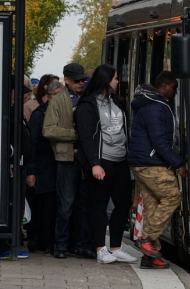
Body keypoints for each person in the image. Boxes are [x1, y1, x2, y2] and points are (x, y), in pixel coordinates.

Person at [75, 64, 138, 264]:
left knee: (122, 204)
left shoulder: (117, 102)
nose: (117, 82)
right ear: (105, 80)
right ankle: (100, 248)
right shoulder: (87, 105)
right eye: (115, 78)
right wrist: (94, 163)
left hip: (121, 160)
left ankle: (116, 247)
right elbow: (85, 138)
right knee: (99, 205)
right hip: (102, 161)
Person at [129, 71, 186, 270]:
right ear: (164, 86)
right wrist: (178, 163)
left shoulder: (149, 104)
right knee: (172, 196)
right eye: (174, 87)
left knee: (153, 205)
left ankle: (149, 258)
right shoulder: (156, 107)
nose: (175, 92)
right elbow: (159, 141)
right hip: (150, 163)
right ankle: (147, 240)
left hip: (142, 162)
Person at [43, 62, 94, 259]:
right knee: (66, 204)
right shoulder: (58, 101)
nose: (81, 83)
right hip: (67, 158)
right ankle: (61, 244)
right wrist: (73, 135)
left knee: (84, 203)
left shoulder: (86, 98)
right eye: (77, 80)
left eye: (83, 79)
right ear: (67, 80)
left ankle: (79, 243)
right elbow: (48, 130)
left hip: (85, 157)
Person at [0, 76, 32, 259]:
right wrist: (8, 161)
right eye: (20, 93)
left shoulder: (16, 112)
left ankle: (8, 244)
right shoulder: (6, 113)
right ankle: (2, 247)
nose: (24, 97)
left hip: (17, 165)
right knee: (7, 208)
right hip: (10, 167)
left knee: (14, 207)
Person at [27, 81, 64, 255]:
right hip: (44, 165)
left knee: (59, 205)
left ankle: (54, 241)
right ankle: (45, 241)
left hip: (61, 165)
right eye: (54, 94)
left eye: (60, 94)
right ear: (48, 96)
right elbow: (32, 144)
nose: (57, 97)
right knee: (46, 205)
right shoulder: (39, 115)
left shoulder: (66, 114)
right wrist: (31, 170)